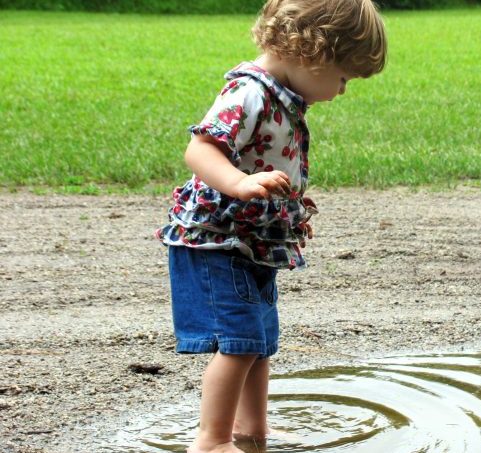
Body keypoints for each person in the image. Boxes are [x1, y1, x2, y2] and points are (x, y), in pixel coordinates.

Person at [155, 0, 386, 452]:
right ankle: (212, 440)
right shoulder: (249, 92)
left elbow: (270, 163)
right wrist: (239, 183)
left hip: (252, 241)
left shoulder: (282, 98)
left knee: (258, 343)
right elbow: (200, 151)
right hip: (216, 240)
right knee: (240, 343)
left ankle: (250, 428)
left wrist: (291, 213)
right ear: (313, 52)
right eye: (343, 77)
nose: (341, 91)